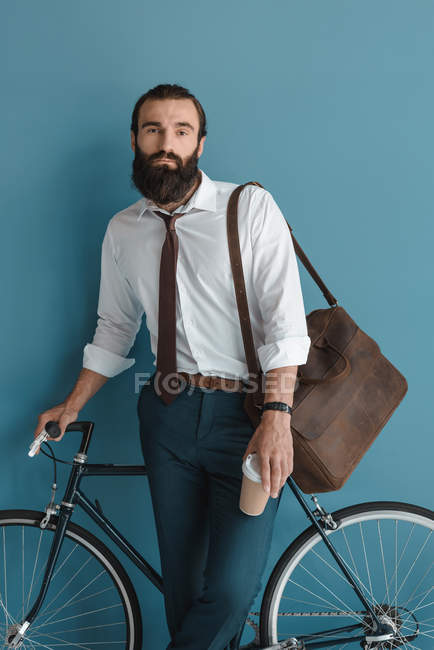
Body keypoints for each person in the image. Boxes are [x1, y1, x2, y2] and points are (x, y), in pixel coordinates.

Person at [33, 83, 311, 649]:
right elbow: (115, 327)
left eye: (181, 131)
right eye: (153, 130)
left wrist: (277, 417)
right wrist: (73, 402)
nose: (167, 143)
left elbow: (286, 324)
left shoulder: (249, 207)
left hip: (249, 416)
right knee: (183, 593)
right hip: (165, 415)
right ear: (134, 141)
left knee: (230, 591)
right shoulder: (123, 230)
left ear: (201, 144)